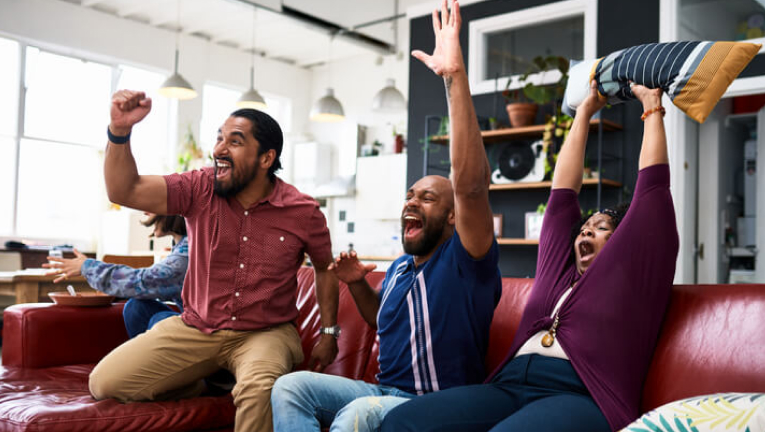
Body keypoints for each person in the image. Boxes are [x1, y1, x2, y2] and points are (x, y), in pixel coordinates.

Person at [381, 57, 679, 432]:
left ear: (624, 241)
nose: (585, 232)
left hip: (581, 395)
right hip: (509, 386)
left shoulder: (635, 273)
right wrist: (584, 112)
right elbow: (562, 196)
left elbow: (652, 188)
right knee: (402, 421)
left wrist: (652, 108)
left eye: (601, 227)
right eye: (584, 227)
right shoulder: (558, 271)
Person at [270, 2, 501, 431]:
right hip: (381, 391)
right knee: (290, 387)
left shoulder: (468, 263)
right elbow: (381, 320)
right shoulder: (398, 269)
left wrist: (454, 78)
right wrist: (357, 283)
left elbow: (470, 185)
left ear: (454, 218)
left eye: (428, 198)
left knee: (356, 416)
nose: (412, 202)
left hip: (437, 405)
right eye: (410, 195)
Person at [87, 90, 339, 432]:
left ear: (266, 158)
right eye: (219, 139)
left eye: (234, 142)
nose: (219, 149)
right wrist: (119, 130)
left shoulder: (303, 211)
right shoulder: (199, 187)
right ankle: (202, 381)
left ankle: (223, 379)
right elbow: (124, 190)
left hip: (265, 333)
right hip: (196, 327)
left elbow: (324, 268)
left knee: (258, 390)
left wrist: (328, 333)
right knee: (105, 383)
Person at [44, 214, 188, 338]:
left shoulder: (188, 251)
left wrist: (87, 267)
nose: (145, 211)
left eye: (153, 205)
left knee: (161, 320)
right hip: (194, 323)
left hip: (207, 333)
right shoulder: (181, 246)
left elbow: (143, 281)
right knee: (136, 307)